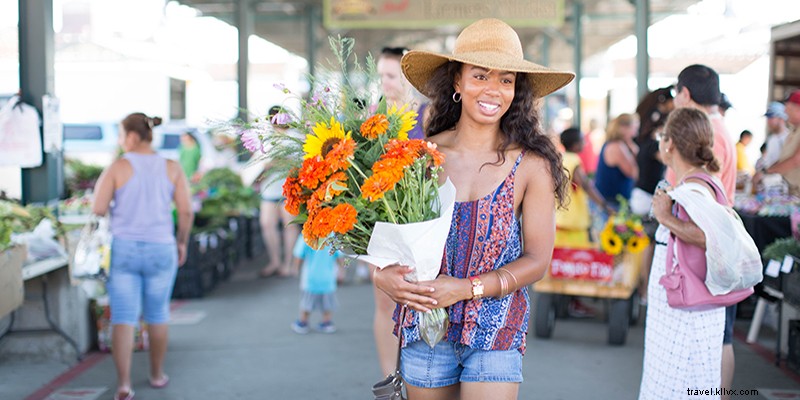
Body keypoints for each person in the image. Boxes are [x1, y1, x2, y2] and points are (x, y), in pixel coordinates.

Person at [373, 18, 573, 399]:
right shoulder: (420, 156)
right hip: (426, 324)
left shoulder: (531, 164)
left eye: (506, 80)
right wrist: (382, 277)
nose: (493, 90)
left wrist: (466, 289)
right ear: (457, 81)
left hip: (496, 328)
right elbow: (387, 240)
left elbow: (537, 260)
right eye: (480, 76)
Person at [92, 112, 193, 400]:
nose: (120, 141)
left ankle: (124, 384)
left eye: (121, 135)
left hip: (123, 249)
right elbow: (185, 210)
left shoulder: (117, 168)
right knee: (158, 314)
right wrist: (181, 242)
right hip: (162, 248)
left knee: (123, 317)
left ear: (133, 137)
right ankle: (157, 374)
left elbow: (97, 209)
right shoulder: (172, 167)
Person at [639, 107, 727, 400]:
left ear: (670, 144)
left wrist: (665, 217)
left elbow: (708, 237)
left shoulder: (694, 190)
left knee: (674, 385)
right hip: (690, 305)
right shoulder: (699, 183)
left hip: (685, 311)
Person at [668, 64, 737, 400]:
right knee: (719, 336)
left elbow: (702, 205)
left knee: (713, 337)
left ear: (686, 94)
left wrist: (665, 214)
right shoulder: (720, 126)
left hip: (704, 250)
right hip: (713, 247)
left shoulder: (706, 130)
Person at [372, 45, 433, 376]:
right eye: (381, 75)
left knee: (423, 301)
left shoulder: (429, 117)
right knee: (385, 303)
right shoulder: (373, 118)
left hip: (426, 223)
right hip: (384, 222)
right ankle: (389, 381)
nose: (385, 83)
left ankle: (425, 379)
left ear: (408, 78)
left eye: (391, 76)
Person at [631, 86, 673, 303]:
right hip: (645, 198)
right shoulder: (652, 145)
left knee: (647, 244)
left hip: (642, 195)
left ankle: (643, 289)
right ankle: (645, 291)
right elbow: (669, 160)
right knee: (649, 244)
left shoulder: (645, 141)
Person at [258, 105, 301, 278]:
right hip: (269, 188)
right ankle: (275, 260)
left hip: (288, 188)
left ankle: (288, 264)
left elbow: (300, 162)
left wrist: (279, 162)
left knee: (289, 225)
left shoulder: (294, 138)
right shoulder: (267, 138)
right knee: (267, 224)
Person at [556, 127, 612, 248]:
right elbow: (586, 185)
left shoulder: (560, 159)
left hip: (559, 219)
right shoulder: (574, 160)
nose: (585, 143)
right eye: (582, 141)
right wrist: (604, 205)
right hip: (574, 221)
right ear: (576, 145)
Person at [290, 234, 342, 335]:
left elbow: (299, 254)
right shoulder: (332, 235)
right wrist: (341, 270)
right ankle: (326, 322)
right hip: (328, 278)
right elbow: (339, 255)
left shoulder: (307, 234)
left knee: (307, 302)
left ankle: (303, 322)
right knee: (327, 303)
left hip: (310, 277)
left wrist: (295, 268)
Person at [377, 46, 429, 140]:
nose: (383, 81)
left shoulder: (426, 114)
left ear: (408, 76)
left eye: (391, 76)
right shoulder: (373, 113)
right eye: (381, 75)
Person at [594, 113, 639, 209]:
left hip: (613, 200)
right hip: (612, 203)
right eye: (634, 128)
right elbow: (633, 173)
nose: (636, 132)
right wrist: (635, 152)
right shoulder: (617, 146)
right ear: (623, 128)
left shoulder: (614, 144)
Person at [763, 91, 800, 195]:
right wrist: (767, 170)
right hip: (791, 191)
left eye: (788, 108)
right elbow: (784, 158)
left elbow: (797, 160)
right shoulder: (794, 130)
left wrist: (768, 172)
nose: (785, 112)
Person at [761, 101, 790, 169]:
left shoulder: (788, 138)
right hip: (768, 178)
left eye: (771, 117)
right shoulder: (771, 139)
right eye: (768, 118)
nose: (768, 121)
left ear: (781, 118)